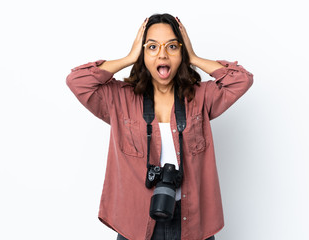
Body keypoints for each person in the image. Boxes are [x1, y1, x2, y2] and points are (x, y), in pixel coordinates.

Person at [66, 13, 253, 240]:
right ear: (142, 52)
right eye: (152, 47)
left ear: (180, 52)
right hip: (136, 222)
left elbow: (241, 79)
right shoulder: (120, 99)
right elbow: (77, 81)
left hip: (191, 222)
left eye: (172, 47)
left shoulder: (201, 96)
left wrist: (193, 57)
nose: (162, 54)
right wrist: (128, 57)